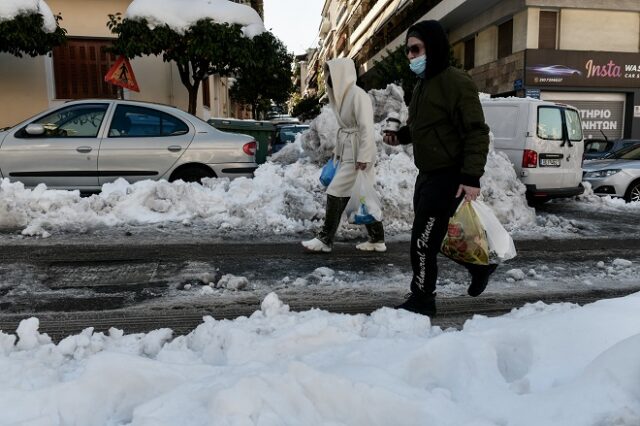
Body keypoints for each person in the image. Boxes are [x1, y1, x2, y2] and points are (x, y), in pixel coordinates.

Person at [383, 20, 496, 316]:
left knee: (422, 241)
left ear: (433, 47)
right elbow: (421, 126)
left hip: (449, 177)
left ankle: (423, 299)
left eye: (416, 49)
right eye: (408, 51)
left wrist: (472, 176)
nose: (411, 56)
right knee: (434, 238)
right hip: (427, 175)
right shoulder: (422, 85)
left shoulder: (456, 82)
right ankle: (479, 266)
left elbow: (476, 131)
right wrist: (401, 136)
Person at [302, 58, 386, 253]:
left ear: (343, 74)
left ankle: (325, 239)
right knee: (364, 196)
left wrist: (364, 157)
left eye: (333, 74)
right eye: (328, 74)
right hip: (350, 152)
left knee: (335, 191)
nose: (329, 79)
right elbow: (346, 130)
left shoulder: (358, 95)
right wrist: (337, 154)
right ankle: (377, 238)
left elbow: (366, 127)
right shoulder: (342, 97)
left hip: (358, 153)